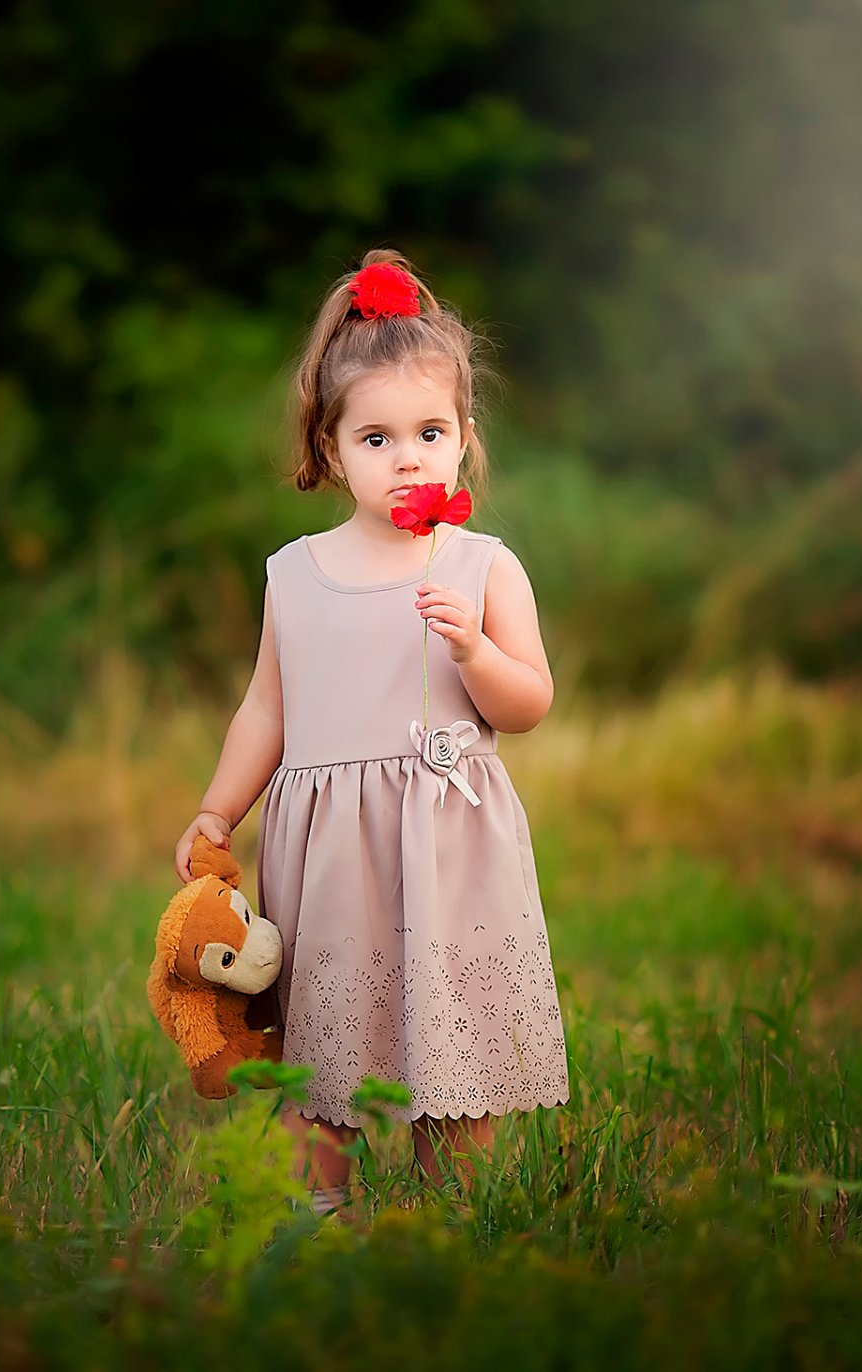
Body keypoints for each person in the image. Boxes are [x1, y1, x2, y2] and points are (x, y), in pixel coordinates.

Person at [172, 249, 571, 1222]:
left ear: (465, 440)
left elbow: (529, 700)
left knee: (456, 1033)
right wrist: (219, 808)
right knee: (327, 1034)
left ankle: (455, 1212)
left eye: (431, 432)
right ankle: (323, 1211)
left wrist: (475, 652)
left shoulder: (483, 566)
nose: (407, 457)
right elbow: (266, 708)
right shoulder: (298, 575)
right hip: (332, 855)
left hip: (450, 848)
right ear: (330, 448)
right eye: (378, 437)